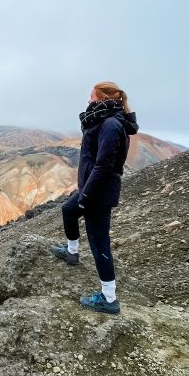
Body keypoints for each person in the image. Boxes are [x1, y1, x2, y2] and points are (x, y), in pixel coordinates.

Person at [51, 81, 138, 314]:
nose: (88, 101)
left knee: (99, 244)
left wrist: (86, 196)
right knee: (68, 211)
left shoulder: (110, 125)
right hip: (93, 187)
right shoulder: (104, 121)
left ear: (101, 98)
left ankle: (109, 299)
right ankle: (71, 252)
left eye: (91, 96)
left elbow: (104, 166)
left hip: (98, 192)